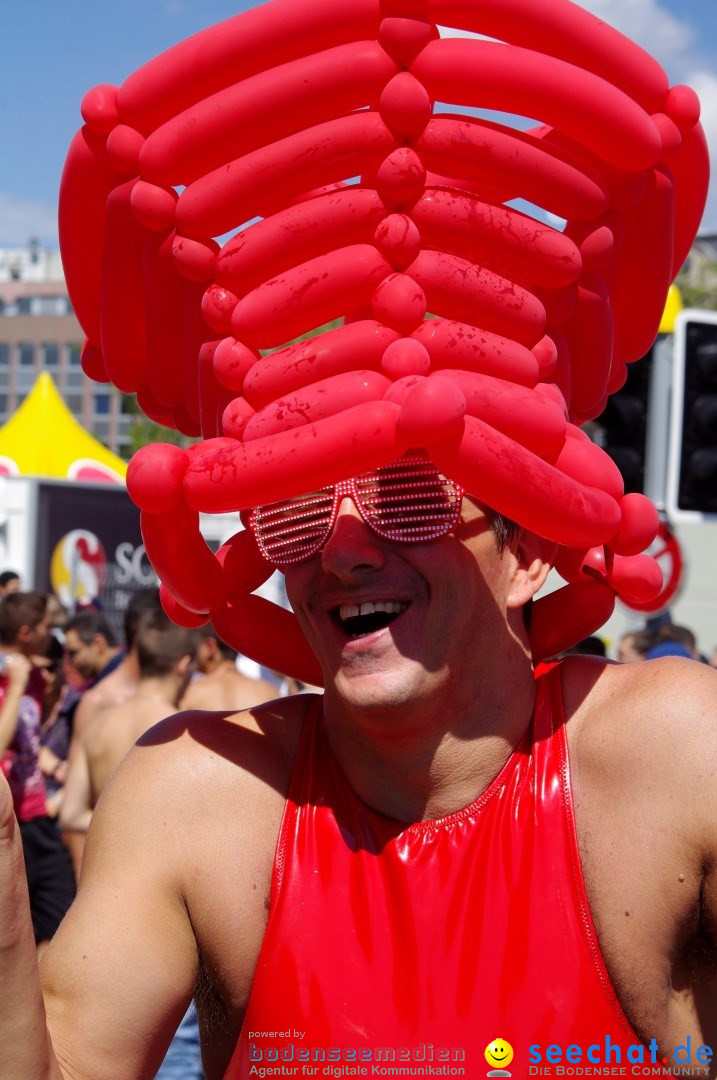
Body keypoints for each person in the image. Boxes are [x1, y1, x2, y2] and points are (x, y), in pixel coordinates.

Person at [60, 610, 197, 839]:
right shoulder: (185, 732)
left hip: (106, 867)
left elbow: (71, 815)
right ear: (184, 665)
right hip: (161, 869)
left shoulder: (97, 727)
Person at [0, 593, 75, 954]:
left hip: (37, 820)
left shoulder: (31, 675)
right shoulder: (13, 680)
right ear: (27, 632)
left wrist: (56, 767)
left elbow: (27, 742)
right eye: (48, 626)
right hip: (8, 823)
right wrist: (14, 687)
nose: (54, 633)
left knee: (61, 915)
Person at [179, 622, 276, 713]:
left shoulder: (192, 694)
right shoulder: (269, 693)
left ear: (210, 647)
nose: (192, 651)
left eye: (196, 645)